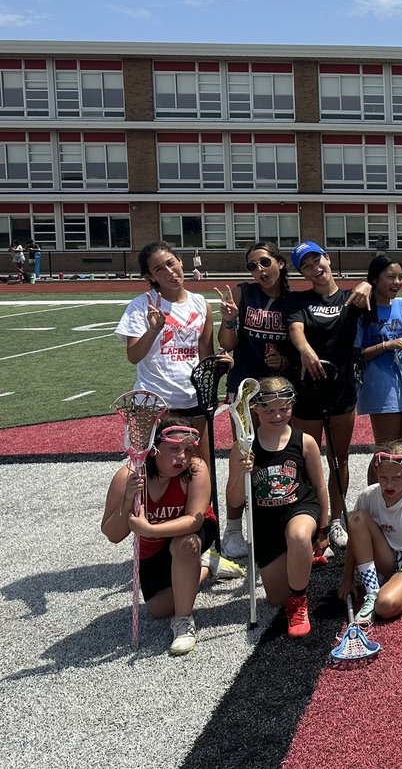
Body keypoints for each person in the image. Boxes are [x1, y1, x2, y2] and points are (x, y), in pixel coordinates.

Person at [101, 418, 242, 656]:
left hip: (191, 533)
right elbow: (113, 534)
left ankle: (184, 622)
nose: (183, 457)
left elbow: (194, 521)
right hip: (153, 545)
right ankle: (208, 565)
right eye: (174, 449)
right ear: (153, 449)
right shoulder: (128, 476)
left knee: (186, 544)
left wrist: (149, 529)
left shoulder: (196, 469)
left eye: (188, 449)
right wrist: (127, 501)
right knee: (157, 609)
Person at [227, 377, 330, 637]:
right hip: (265, 522)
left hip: (300, 508)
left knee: (297, 536)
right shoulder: (242, 449)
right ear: (255, 409)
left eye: (284, 408)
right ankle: (302, 557)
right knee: (276, 599)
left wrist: (324, 527)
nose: (277, 415)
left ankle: (299, 601)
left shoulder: (304, 442)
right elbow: (235, 501)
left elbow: (320, 487)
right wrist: (242, 472)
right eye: (269, 410)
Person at [286, 240, 367, 550]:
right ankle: (309, 516)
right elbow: (295, 329)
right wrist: (305, 349)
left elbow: (373, 291)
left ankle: (335, 519)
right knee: (306, 458)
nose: (314, 268)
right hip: (307, 391)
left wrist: (367, 285)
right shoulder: (300, 300)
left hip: (342, 390)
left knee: (339, 458)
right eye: (306, 265)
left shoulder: (351, 298)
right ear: (302, 272)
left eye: (316, 260)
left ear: (327, 259)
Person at [216, 241, 294, 558]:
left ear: (279, 263)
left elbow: (297, 345)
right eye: (252, 265)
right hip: (245, 388)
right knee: (243, 458)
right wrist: (231, 319)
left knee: (277, 458)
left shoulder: (292, 300)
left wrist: (285, 362)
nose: (258, 270)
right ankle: (233, 529)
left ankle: (272, 523)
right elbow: (227, 342)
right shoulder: (242, 293)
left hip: (277, 390)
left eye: (263, 262)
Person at [115, 242, 217, 464]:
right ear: (150, 277)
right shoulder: (142, 305)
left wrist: (221, 360)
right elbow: (133, 355)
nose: (170, 272)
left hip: (193, 401)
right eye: (159, 269)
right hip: (152, 403)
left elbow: (205, 357)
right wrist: (154, 328)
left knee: (199, 469)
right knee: (150, 472)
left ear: (180, 261)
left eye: (171, 263)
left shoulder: (201, 304)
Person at [338, 442, 402, 624]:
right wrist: (347, 579)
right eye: (383, 477)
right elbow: (354, 540)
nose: (389, 484)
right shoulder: (368, 495)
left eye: (397, 478)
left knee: (385, 606)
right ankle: (372, 592)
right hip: (384, 556)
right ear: (375, 472)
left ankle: (398, 585)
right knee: (357, 518)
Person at [355, 254, 402, 469]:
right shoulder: (362, 310)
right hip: (381, 388)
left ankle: (399, 501)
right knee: (386, 453)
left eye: (400, 277)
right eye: (390, 277)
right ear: (375, 279)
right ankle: (375, 500)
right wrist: (386, 346)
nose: (397, 282)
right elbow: (356, 353)